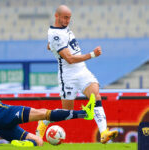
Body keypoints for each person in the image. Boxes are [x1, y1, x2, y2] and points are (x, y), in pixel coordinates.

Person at [36, 5, 118, 144]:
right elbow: (70, 59)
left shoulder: (61, 30)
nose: (67, 21)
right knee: (66, 111)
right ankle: (44, 121)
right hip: (68, 76)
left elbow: (50, 45)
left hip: (82, 71)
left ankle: (104, 132)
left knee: (95, 95)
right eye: (65, 17)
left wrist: (53, 46)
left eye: (69, 18)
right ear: (57, 16)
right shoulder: (55, 34)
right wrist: (92, 54)